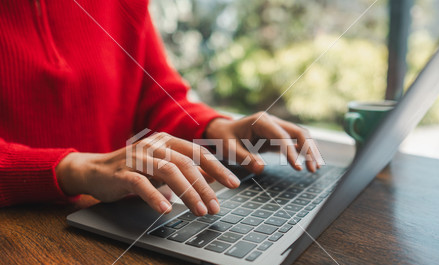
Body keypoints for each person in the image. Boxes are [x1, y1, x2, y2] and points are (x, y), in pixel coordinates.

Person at [0, 0, 319, 215]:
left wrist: (214, 128)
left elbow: (157, 96)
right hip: (24, 237)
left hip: (114, 221)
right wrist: (78, 169)